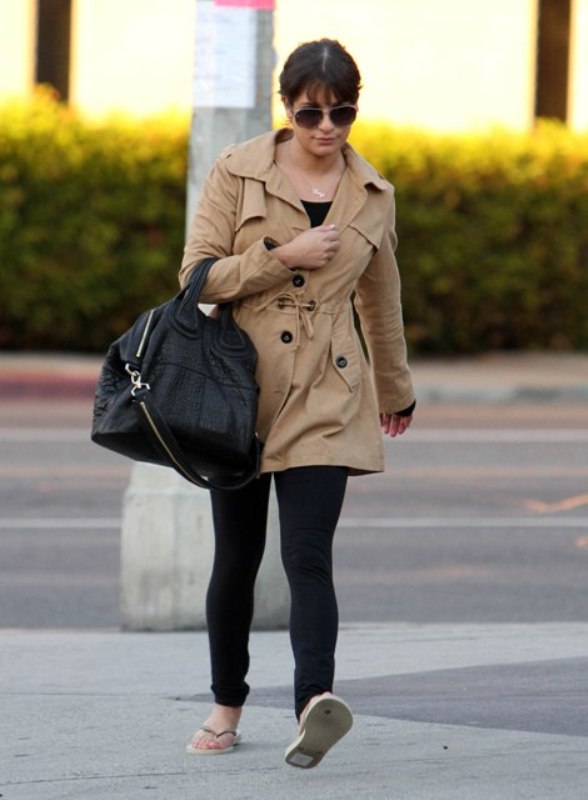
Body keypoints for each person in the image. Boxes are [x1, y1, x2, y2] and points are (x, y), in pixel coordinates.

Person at [179, 38, 415, 768]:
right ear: (287, 107)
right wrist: (283, 258)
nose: (327, 127)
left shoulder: (372, 194)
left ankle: (315, 701)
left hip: (327, 390)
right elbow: (197, 278)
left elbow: (381, 301)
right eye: (312, 113)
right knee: (237, 558)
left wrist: (395, 387)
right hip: (239, 392)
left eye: (342, 112)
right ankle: (226, 704)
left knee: (307, 554)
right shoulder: (238, 170)